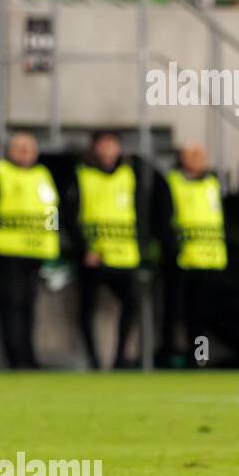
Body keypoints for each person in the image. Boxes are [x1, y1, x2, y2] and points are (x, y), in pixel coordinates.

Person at [0, 132, 58, 370]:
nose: (26, 152)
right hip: (5, 255)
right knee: (11, 308)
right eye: (21, 147)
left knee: (28, 307)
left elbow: (54, 214)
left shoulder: (42, 175)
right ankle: (15, 360)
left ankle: (28, 358)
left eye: (30, 147)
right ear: (10, 150)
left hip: (34, 254)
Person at [68, 131, 142, 370]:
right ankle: (94, 362)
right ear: (95, 149)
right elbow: (68, 216)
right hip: (93, 256)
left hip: (124, 254)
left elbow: (141, 215)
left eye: (113, 145)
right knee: (86, 309)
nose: (109, 151)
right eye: (104, 146)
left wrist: (141, 248)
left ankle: (120, 358)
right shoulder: (82, 175)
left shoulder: (129, 176)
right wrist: (84, 248)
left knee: (132, 302)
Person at [154, 143, 228, 366]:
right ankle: (167, 354)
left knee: (201, 316)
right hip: (181, 258)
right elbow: (164, 219)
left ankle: (200, 357)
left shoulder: (212, 184)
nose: (197, 160)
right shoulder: (172, 182)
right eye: (192, 155)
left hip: (208, 258)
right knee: (173, 312)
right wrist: (172, 250)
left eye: (201, 156)